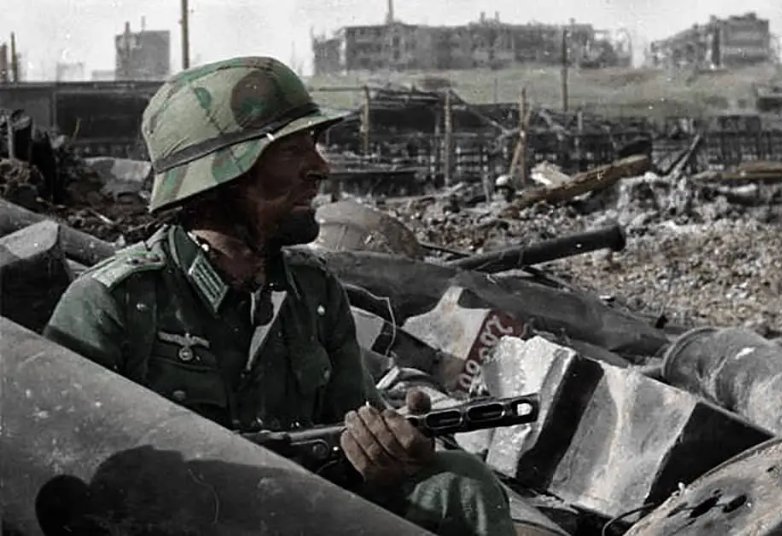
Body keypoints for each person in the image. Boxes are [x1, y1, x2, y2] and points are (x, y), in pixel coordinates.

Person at [44, 56, 516, 536]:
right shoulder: (113, 302)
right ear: (220, 177)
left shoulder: (312, 289)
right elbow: (60, 475)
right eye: (291, 151)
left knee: (460, 485)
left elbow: (352, 430)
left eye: (313, 145)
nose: (320, 168)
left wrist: (388, 452)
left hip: (300, 510)